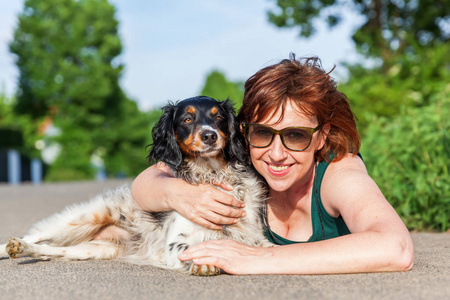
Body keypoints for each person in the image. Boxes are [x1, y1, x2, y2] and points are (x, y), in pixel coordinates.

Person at [131, 54, 414, 275]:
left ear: (321, 136)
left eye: (296, 135)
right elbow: (145, 182)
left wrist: (261, 258)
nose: (276, 154)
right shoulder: (249, 161)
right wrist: (179, 193)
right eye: (263, 132)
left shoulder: (339, 172)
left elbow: (396, 248)